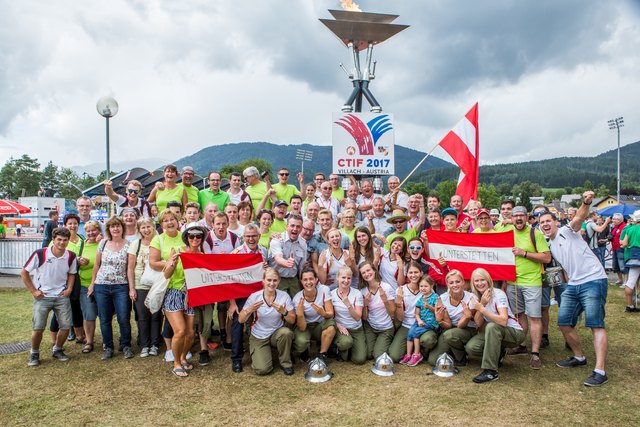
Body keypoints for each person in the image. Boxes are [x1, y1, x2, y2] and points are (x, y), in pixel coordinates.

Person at [538, 191, 610, 387]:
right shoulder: (551, 244)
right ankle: (579, 357)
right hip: (574, 284)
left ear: (555, 222)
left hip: (594, 280)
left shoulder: (567, 230)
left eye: (547, 221)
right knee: (563, 322)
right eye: (541, 222)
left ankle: (600, 371)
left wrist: (586, 202)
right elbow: (567, 266)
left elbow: (579, 217)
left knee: (596, 324)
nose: (544, 224)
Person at [22, 227, 77, 366]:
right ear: (53, 240)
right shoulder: (40, 254)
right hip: (43, 297)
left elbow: (72, 273)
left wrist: (69, 288)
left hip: (61, 296)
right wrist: (34, 291)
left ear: (68, 241)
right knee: (38, 327)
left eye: (65, 240)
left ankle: (57, 349)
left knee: (65, 326)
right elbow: (24, 272)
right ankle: (34, 353)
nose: (62, 243)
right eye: (59, 239)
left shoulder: (70, 256)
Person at [505, 206, 551, 370]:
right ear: (510, 218)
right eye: (515, 216)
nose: (518, 219)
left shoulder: (535, 233)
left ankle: (535, 353)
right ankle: (521, 345)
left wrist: (524, 253)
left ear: (526, 217)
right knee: (518, 315)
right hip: (512, 282)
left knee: (534, 317)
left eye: (521, 216)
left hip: (531, 282)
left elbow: (546, 257)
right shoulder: (507, 231)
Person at [466, 268, 526, 383]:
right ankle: (499, 352)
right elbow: (478, 323)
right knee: (471, 347)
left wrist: (482, 309)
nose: (479, 283)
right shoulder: (475, 297)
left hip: (514, 332)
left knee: (491, 326)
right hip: (496, 332)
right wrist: (482, 304)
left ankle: (491, 371)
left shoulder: (498, 294)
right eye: (476, 281)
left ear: (488, 280)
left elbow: (503, 321)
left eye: (482, 280)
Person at [89, 216, 133, 360]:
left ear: (122, 228)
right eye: (112, 226)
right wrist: (92, 284)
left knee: (123, 317)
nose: (115, 229)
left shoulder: (129, 244)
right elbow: (96, 265)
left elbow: (130, 268)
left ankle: (126, 345)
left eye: (118, 226)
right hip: (102, 285)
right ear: (108, 229)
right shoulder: (102, 243)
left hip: (121, 286)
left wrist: (131, 288)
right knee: (104, 318)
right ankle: (108, 347)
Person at [228, 224, 269, 373]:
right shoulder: (236, 253)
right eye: (248, 236)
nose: (251, 239)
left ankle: (264, 349)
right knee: (238, 323)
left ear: (259, 236)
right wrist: (232, 303)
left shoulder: (264, 250)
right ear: (243, 237)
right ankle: (236, 359)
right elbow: (229, 279)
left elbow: (268, 275)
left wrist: (265, 269)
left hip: (259, 293)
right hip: (241, 295)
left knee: (265, 318)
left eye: (254, 236)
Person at [239, 268, 296, 376]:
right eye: (269, 280)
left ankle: (286, 363)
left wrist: (284, 312)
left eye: (275, 280)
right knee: (262, 370)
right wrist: (249, 310)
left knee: (286, 333)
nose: (272, 283)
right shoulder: (254, 297)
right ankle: (262, 354)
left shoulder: (284, 296)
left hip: (276, 333)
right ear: (263, 281)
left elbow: (292, 320)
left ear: (279, 281)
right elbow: (240, 319)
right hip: (259, 335)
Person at [148, 209, 187, 363]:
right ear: (161, 223)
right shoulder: (158, 240)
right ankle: (171, 352)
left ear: (177, 221)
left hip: (186, 287)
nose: (170, 222)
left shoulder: (184, 237)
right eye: (165, 220)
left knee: (186, 328)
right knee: (177, 327)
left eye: (172, 219)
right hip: (169, 287)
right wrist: (169, 262)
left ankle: (182, 353)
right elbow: (153, 263)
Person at [48, 214, 85, 346]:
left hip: (76, 278)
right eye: (70, 223)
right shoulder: (58, 241)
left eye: (75, 223)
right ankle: (54, 338)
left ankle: (80, 335)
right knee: (58, 308)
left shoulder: (82, 240)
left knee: (76, 307)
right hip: (59, 278)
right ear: (65, 225)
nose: (73, 226)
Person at [126, 217, 162, 358]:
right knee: (142, 316)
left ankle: (154, 344)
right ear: (139, 230)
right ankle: (144, 344)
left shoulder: (159, 242)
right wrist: (132, 288)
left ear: (153, 227)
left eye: (148, 226)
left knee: (155, 315)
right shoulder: (136, 244)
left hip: (156, 284)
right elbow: (130, 267)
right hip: (140, 284)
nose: (146, 230)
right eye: (143, 227)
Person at [428, 269, 477, 366]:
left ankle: (461, 357)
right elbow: (448, 324)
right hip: (450, 329)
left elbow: (461, 325)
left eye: (458, 281)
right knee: (433, 361)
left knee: (450, 335)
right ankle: (451, 350)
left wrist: (467, 317)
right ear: (447, 284)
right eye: (451, 282)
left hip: (467, 329)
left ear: (463, 282)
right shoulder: (442, 298)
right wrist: (439, 321)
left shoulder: (471, 297)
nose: (455, 285)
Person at [293, 268, 336, 362]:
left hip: (320, 324)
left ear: (316, 279)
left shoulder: (324, 289)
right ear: (301, 281)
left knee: (331, 327)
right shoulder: (297, 298)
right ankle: (304, 351)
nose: (308, 282)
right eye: (305, 279)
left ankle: (322, 354)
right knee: (301, 342)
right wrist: (300, 314)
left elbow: (330, 313)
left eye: (311, 279)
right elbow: (302, 327)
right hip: (306, 326)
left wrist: (323, 313)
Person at [400, 275, 440, 366]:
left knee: (416, 332)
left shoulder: (435, 297)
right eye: (421, 286)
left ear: (431, 286)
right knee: (410, 332)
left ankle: (417, 355)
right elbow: (417, 313)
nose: (423, 288)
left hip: (430, 323)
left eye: (426, 286)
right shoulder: (420, 299)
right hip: (420, 322)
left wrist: (429, 307)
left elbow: (439, 312)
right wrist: (418, 320)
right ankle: (409, 354)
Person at [359, 261, 396, 360]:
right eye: (363, 273)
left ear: (374, 270)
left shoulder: (386, 288)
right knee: (368, 354)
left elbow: (392, 313)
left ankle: (388, 343)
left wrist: (385, 300)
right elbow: (364, 317)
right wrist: (365, 305)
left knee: (378, 356)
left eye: (368, 270)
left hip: (385, 328)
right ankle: (379, 344)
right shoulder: (363, 291)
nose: (367, 274)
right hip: (371, 327)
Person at [388, 261, 424, 362]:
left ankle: (421, 351)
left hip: (421, 325)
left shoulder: (426, 288)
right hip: (406, 325)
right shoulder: (401, 290)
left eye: (416, 272)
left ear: (421, 273)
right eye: (410, 273)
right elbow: (399, 318)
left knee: (428, 341)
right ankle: (409, 350)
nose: (413, 275)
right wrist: (398, 303)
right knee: (394, 356)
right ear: (407, 274)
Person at [331, 266, 366, 364]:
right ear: (338, 278)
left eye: (349, 278)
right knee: (346, 343)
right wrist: (338, 325)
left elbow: (357, 317)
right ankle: (339, 347)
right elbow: (329, 316)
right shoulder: (332, 294)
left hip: (356, 329)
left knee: (360, 359)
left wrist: (348, 304)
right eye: (343, 277)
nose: (346, 280)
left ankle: (350, 349)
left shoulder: (357, 293)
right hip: (341, 329)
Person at [76, 220, 101, 354]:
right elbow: (72, 260)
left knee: (105, 314)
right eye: (88, 231)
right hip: (85, 284)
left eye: (94, 230)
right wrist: (78, 260)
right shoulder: (80, 245)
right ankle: (89, 341)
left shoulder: (103, 244)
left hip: (102, 284)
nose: (91, 233)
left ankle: (107, 341)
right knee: (89, 314)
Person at [269, 214, 307, 297]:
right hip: (277, 278)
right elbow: (278, 258)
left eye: (298, 226)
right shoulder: (277, 240)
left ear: (301, 229)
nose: (295, 229)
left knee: (297, 303)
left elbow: (301, 267)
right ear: (286, 226)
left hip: (293, 279)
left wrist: (301, 282)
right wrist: (286, 263)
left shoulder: (303, 243)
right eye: (292, 225)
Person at [620, 210, 640, 312]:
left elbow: (624, 244)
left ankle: (629, 306)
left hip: (634, 256)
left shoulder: (630, 229)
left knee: (630, 282)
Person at [610, 213, 628, 286]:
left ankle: (626, 281)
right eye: (613, 219)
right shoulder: (615, 227)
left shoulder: (624, 227)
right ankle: (620, 279)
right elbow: (613, 236)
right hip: (614, 248)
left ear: (619, 220)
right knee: (615, 266)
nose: (613, 220)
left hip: (620, 248)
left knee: (622, 265)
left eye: (615, 219)